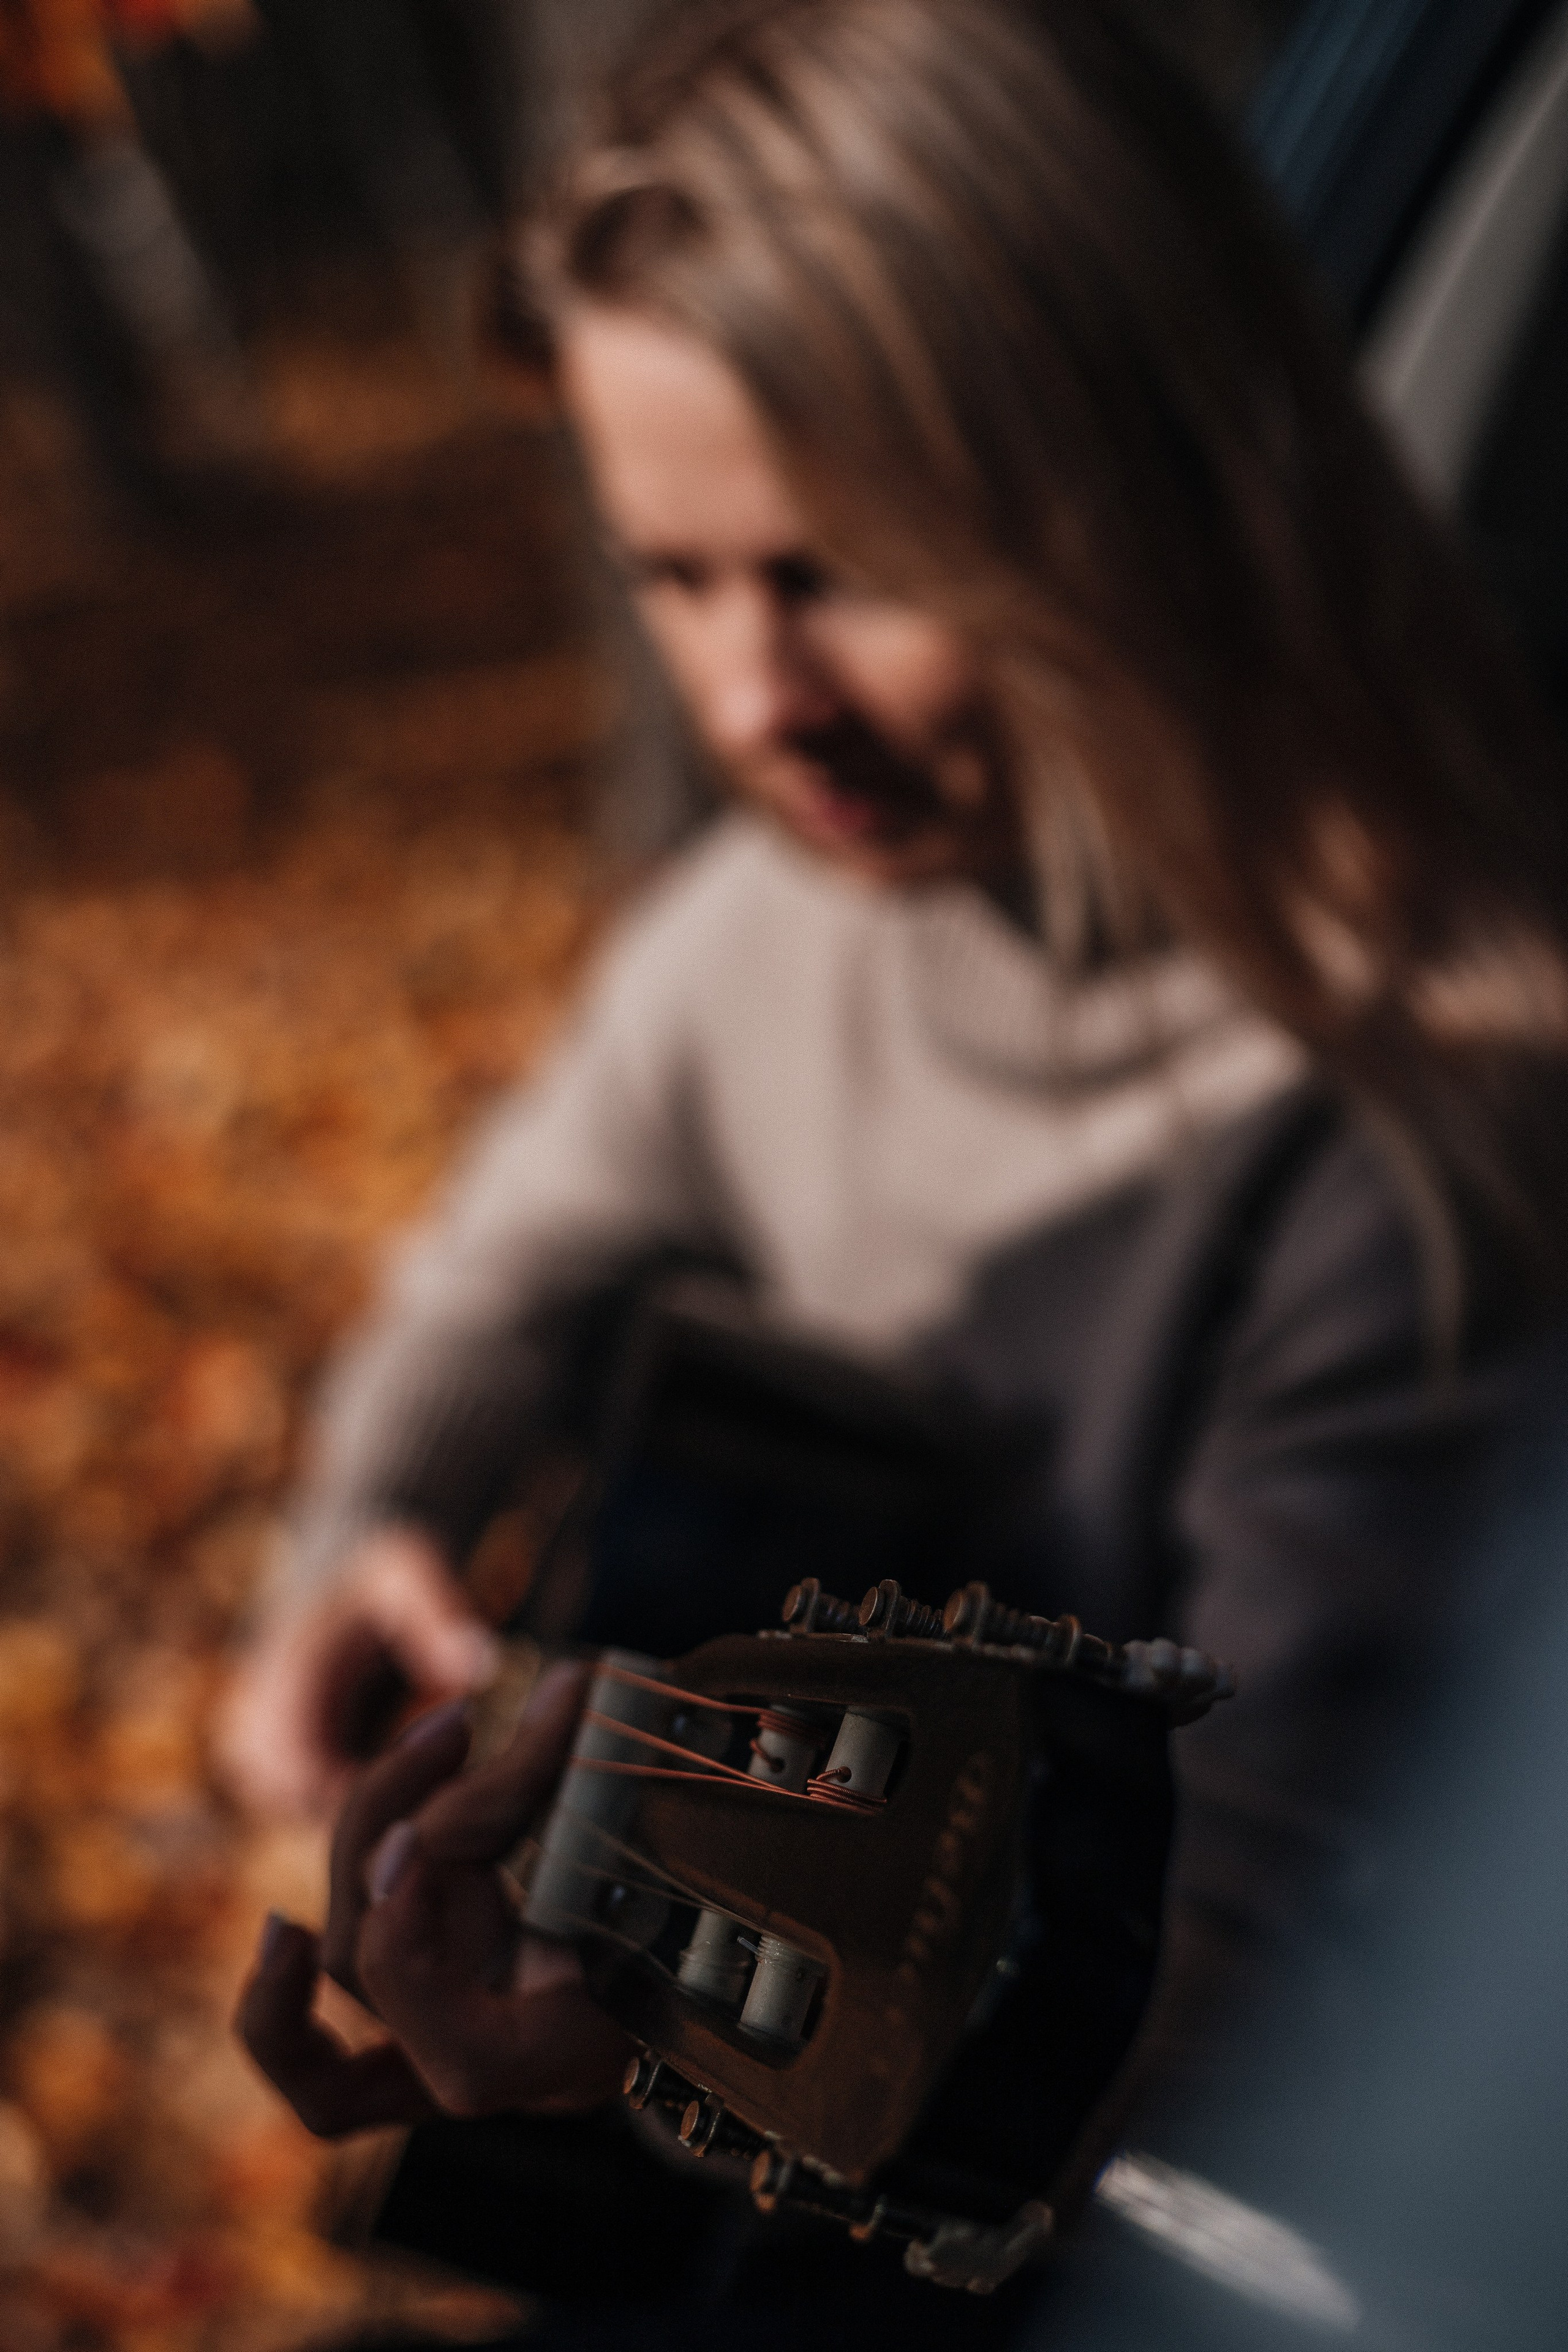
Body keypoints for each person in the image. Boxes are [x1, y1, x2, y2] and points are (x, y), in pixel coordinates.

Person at [234, 0, 1568, 2342]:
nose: (753, 704)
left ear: (1155, 469)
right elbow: (504, 1261)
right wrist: (364, 1549)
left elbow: (1194, 1958)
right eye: (671, 576)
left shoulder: (1425, 1119)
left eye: (837, 570)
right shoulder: (771, 934)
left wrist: (626, 2030)